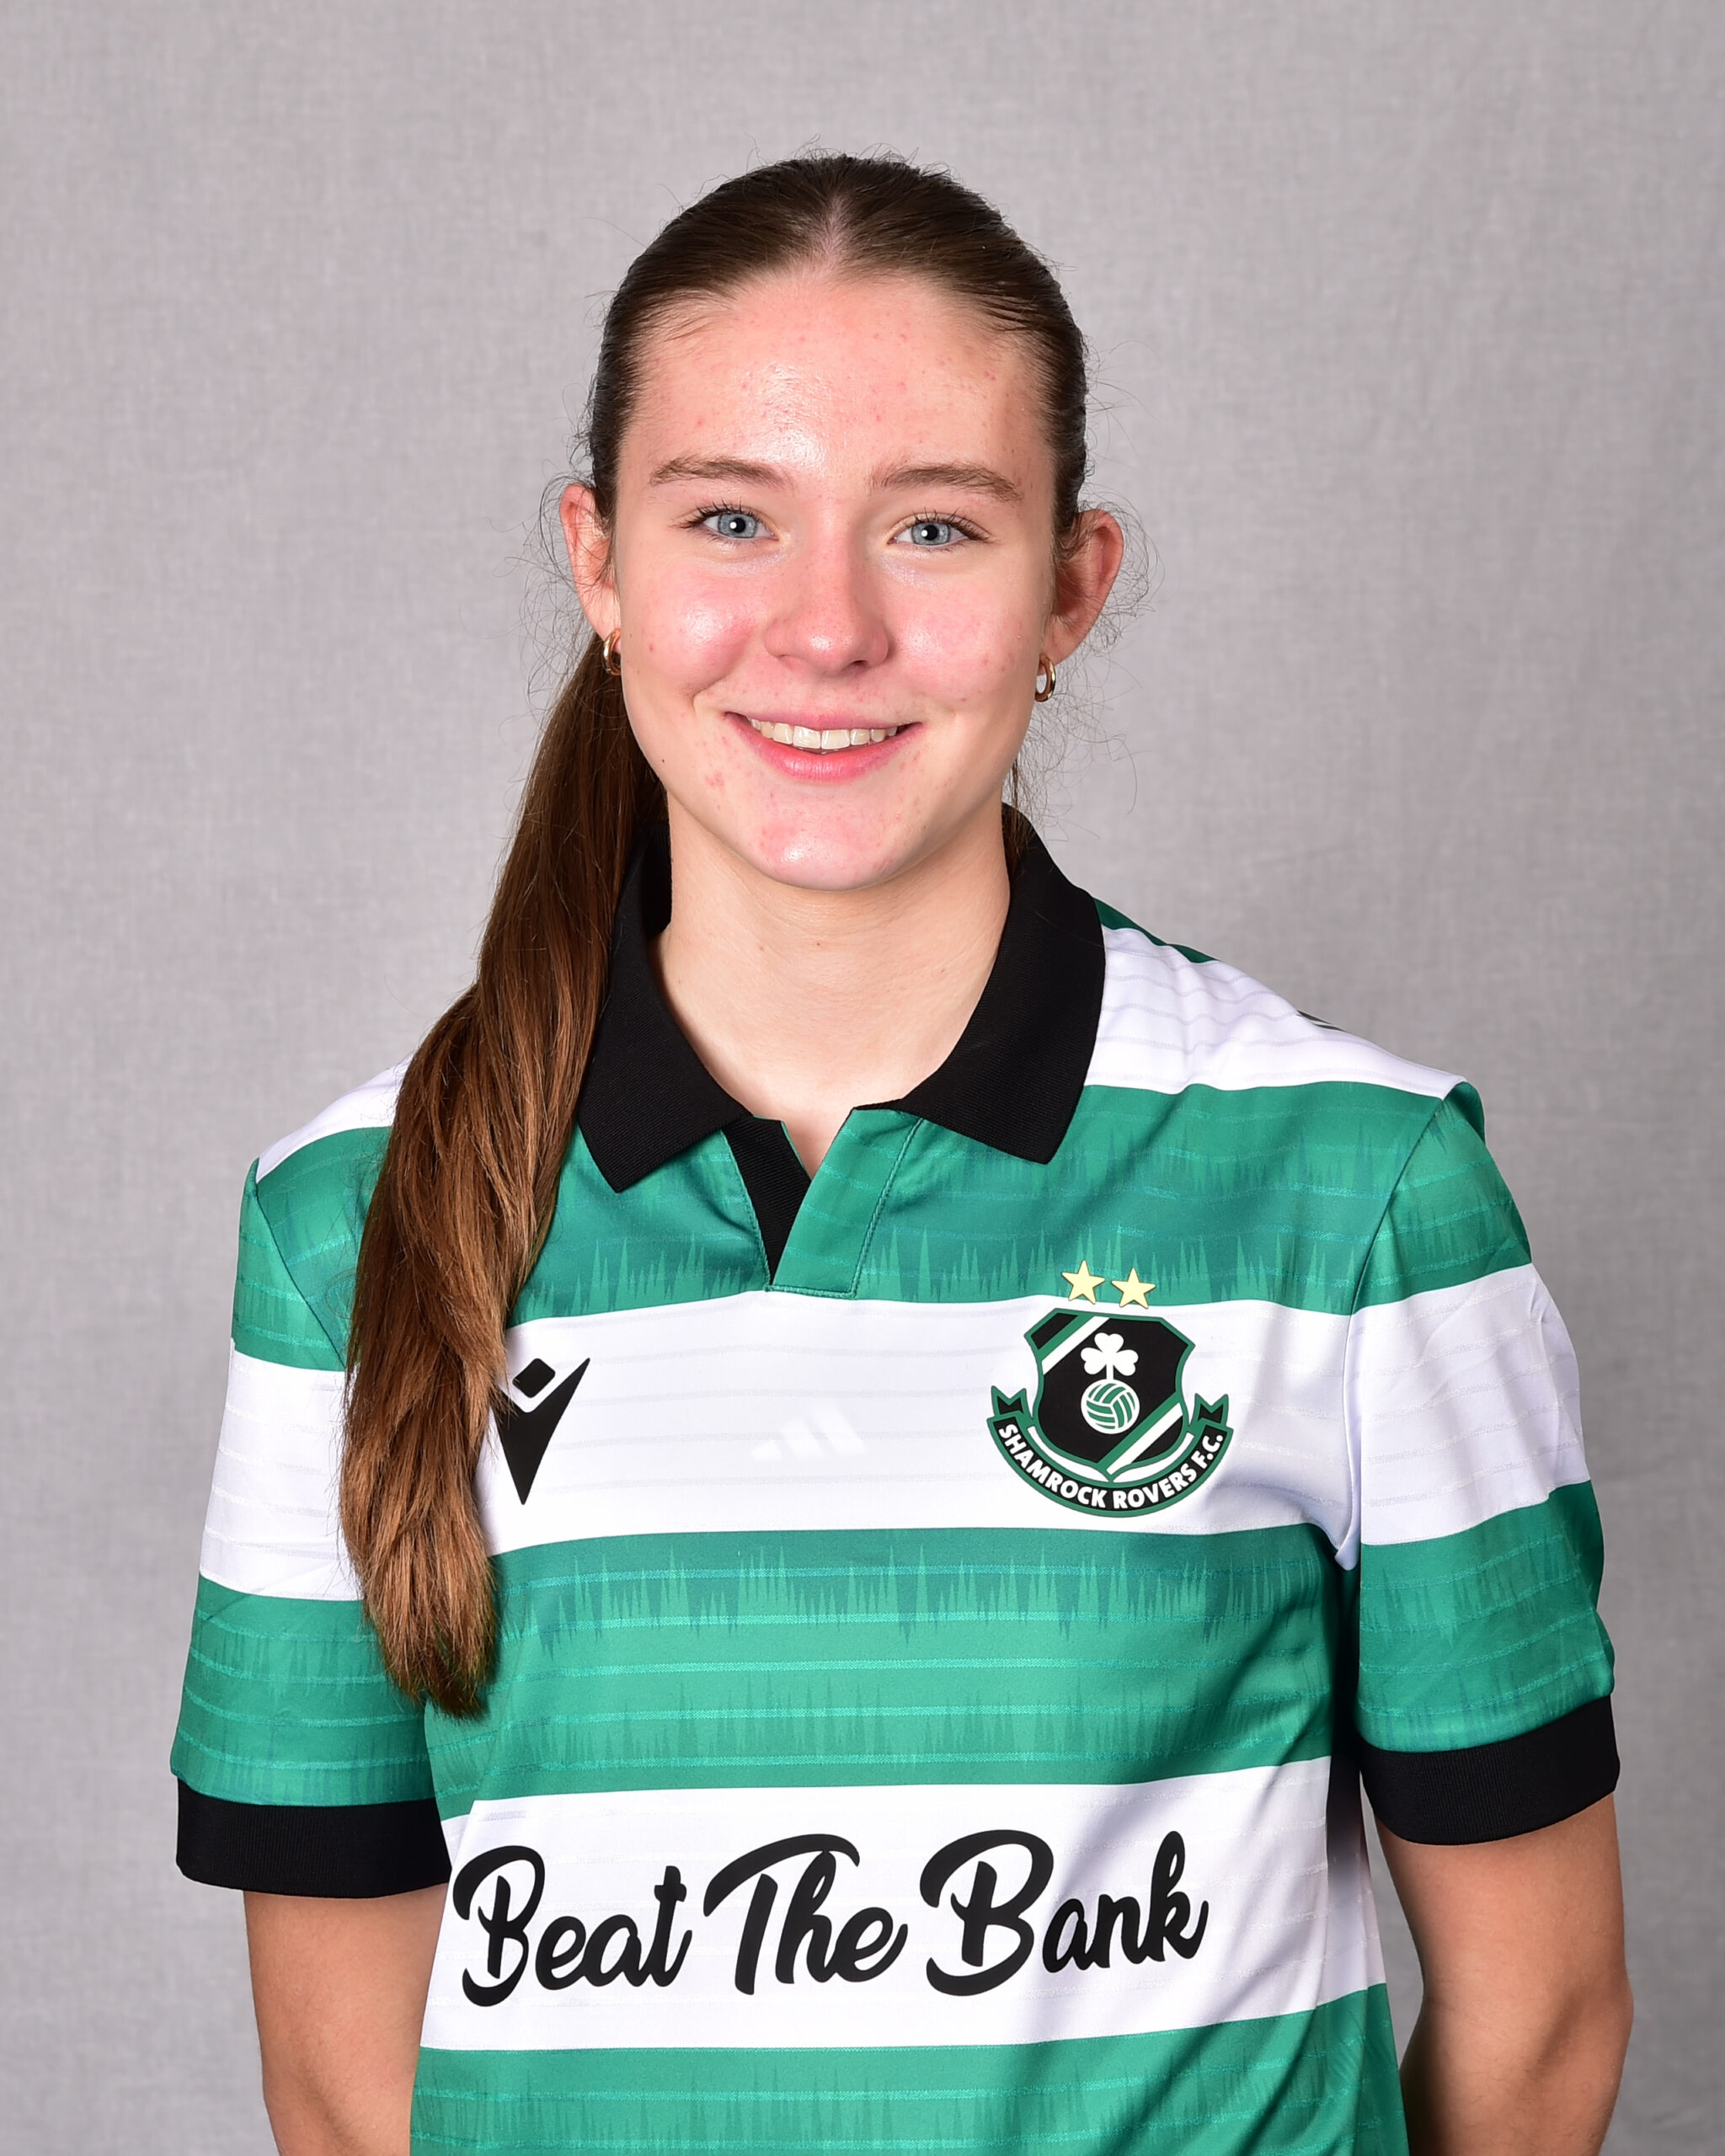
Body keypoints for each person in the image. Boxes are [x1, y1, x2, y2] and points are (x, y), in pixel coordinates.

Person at [172, 152, 1631, 2156]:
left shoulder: (1358, 1195)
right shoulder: (348, 1224)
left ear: (1071, 587)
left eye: (934, 525)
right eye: (731, 519)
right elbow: (346, 2088)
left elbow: (1539, 2021)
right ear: (600, 564)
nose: (826, 626)